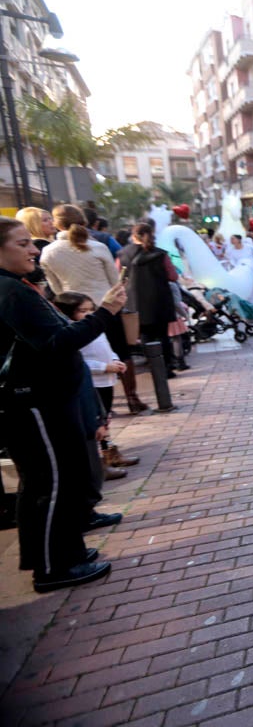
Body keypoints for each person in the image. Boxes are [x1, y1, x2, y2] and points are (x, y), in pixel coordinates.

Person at [0, 217, 124, 593]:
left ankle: (59, 554)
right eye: (22, 244)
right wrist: (105, 312)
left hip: (42, 399)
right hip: (34, 402)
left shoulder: (15, 287)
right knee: (50, 483)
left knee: (47, 482)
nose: (33, 250)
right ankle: (54, 567)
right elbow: (57, 343)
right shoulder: (11, 292)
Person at [39, 205, 147, 414]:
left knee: (84, 357)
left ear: (57, 223)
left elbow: (56, 289)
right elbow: (115, 282)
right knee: (121, 353)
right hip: (107, 309)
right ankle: (132, 398)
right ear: (83, 222)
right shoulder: (98, 247)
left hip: (74, 312)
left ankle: (99, 408)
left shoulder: (48, 252)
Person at [53, 292, 140, 477]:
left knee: (105, 418)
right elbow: (80, 362)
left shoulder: (94, 328)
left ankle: (110, 453)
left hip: (107, 381)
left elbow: (107, 349)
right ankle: (100, 462)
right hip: (92, 384)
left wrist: (115, 361)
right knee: (96, 423)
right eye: (82, 311)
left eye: (91, 310)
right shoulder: (73, 333)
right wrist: (105, 367)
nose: (88, 314)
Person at [117, 223, 181, 377]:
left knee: (145, 336)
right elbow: (173, 276)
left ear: (133, 236)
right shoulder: (161, 254)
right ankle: (167, 368)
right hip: (160, 301)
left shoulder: (122, 254)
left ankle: (154, 368)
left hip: (136, 302)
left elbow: (118, 277)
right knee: (163, 335)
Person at [15, 206, 55, 289]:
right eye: (45, 220)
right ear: (32, 225)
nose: (51, 222)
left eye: (50, 218)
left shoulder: (52, 242)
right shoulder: (39, 245)